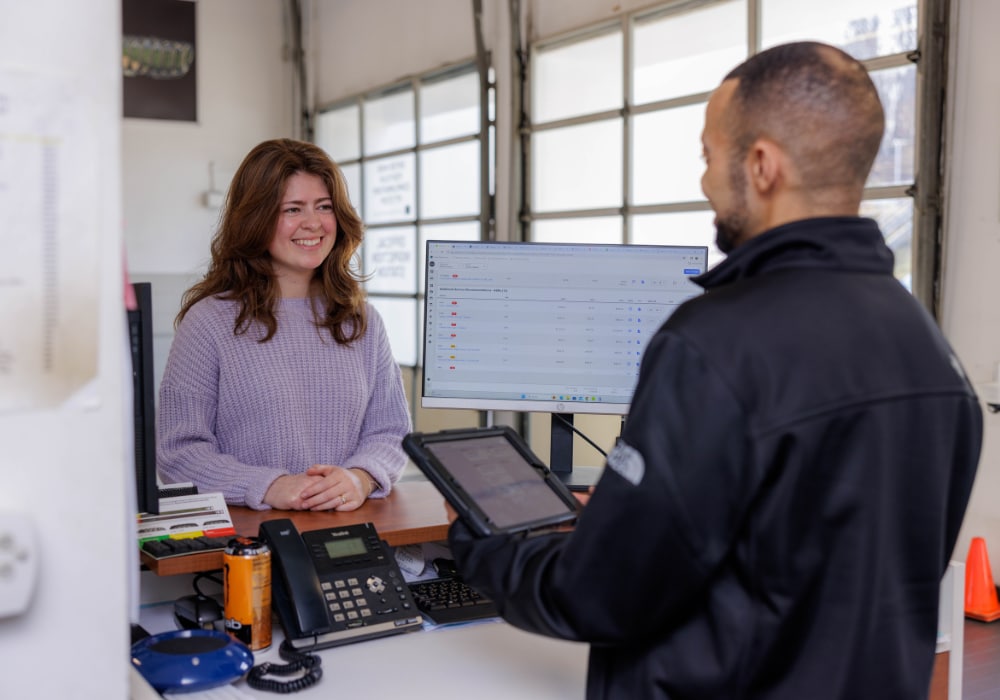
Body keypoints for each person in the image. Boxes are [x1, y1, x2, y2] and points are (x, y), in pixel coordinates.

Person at [446, 42, 983, 698]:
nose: (704, 182)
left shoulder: (713, 343)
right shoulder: (930, 348)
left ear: (761, 165)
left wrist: (483, 547)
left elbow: (603, 593)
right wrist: (624, 516)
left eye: (709, 155)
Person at [157, 138, 411, 511]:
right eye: (292, 209)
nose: (313, 223)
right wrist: (269, 486)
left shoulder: (363, 321)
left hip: (351, 527)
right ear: (255, 220)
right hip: (255, 533)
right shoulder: (208, 322)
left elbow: (390, 432)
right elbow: (179, 453)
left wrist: (359, 477)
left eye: (324, 207)